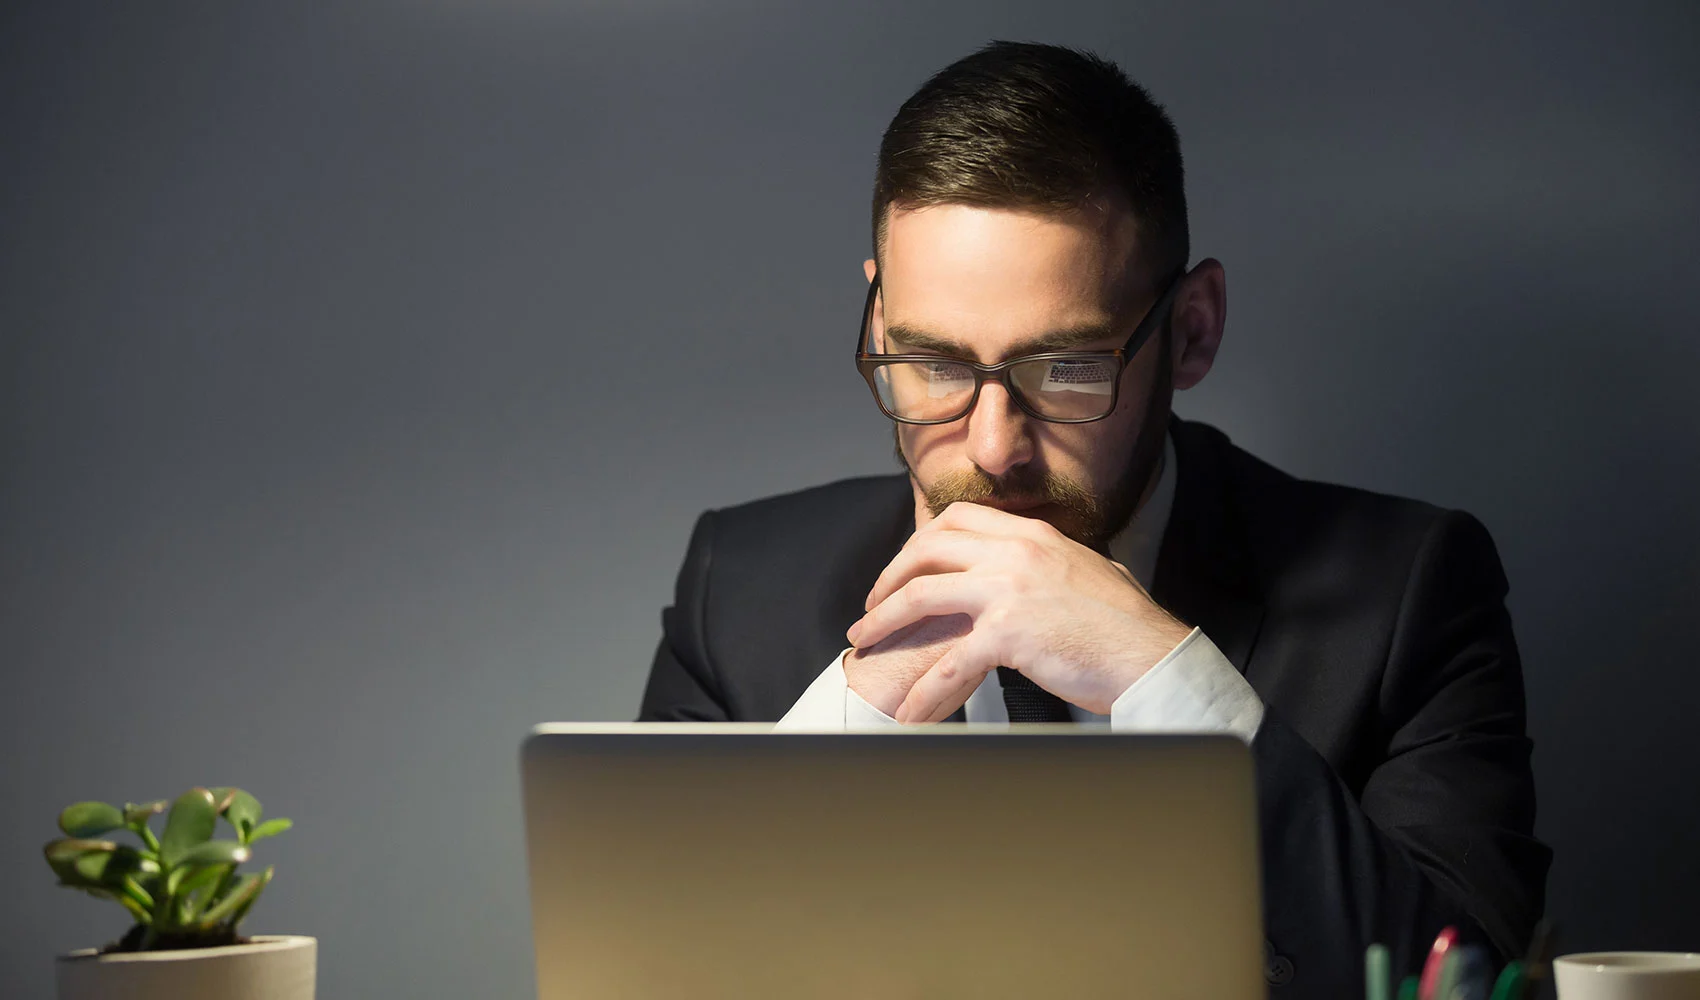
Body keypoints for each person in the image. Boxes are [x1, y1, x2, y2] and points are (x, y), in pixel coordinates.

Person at [637, 40, 1549, 996]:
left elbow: (1472, 980)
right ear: (877, 326)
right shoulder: (733, 593)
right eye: (938, 366)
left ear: (1191, 330)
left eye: (1066, 369)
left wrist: (1168, 681)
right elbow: (638, 967)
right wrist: (853, 724)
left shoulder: (1410, 590)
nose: (993, 448)